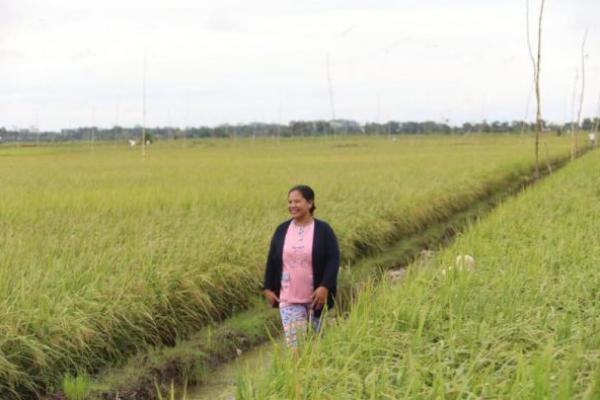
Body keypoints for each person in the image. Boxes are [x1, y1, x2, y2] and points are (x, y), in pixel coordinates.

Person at [263, 185, 340, 347]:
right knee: (296, 347)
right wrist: (268, 288)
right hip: (289, 297)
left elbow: (333, 259)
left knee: (315, 345)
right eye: (290, 201)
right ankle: (297, 371)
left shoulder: (324, 230)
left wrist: (325, 287)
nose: (292, 205)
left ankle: (314, 372)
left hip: (316, 300)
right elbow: (272, 259)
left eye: (297, 201)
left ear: (310, 203)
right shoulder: (282, 230)